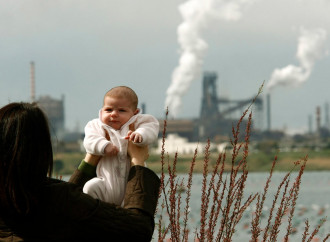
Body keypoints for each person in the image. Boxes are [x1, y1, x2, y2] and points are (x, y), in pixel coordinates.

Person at [0, 102, 160, 241]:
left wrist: (91, 160)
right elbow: (137, 231)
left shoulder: (20, 201)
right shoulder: (56, 200)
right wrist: (137, 163)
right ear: (40, 149)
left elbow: (60, 209)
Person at [83, 86, 159, 205]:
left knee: (135, 198)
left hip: (130, 183)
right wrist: (103, 146)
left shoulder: (137, 122)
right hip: (106, 184)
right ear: (101, 111)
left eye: (121, 110)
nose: (114, 114)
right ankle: (98, 213)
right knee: (90, 187)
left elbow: (151, 127)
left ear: (135, 113)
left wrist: (140, 135)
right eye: (108, 110)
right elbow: (89, 141)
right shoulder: (96, 126)